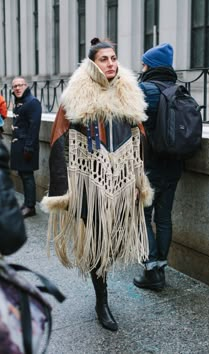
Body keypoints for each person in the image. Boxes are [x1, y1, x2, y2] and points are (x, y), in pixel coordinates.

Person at [41, 37, 153, 332]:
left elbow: (140, 137)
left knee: (113, 243)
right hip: (89, 184)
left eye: (114, 57)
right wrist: (63, 192)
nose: (111, 63)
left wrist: (138, 179)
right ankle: (101, 301)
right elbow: (58, 141)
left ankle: (102, 289)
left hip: (124, 182)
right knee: (97, 246)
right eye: (104, 59)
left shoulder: (128, 92)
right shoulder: (76, 96)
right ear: (92, 63)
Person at [133, 43, 184, 290]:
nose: (141, 67)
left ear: (150, 65)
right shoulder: (179, 89)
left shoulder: (145, 89)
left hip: (149, 165)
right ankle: (161, 268)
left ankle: (151, 270)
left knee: (142, 217)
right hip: (174, 165)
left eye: (143, 63)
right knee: (164, 217)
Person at [10, 77, 42, 218]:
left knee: (28, 176)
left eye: (20, 85)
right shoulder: (20, 102)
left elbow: (34, 128)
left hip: (27, 146)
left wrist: (29, 148)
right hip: (19, 145)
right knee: (23, 174)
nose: (17, 88)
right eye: (15, 86)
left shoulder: (33, 102)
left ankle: (30, 207)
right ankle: (26, 203)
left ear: (26, 86)